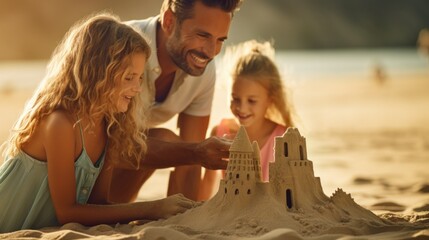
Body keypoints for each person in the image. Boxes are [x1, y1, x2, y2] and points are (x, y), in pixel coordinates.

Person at [0, 13, 198, 233]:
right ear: (98, 73)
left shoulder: (109, 127)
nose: (137, 88)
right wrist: (152, 208)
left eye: (140, 78)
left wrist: (149, 219)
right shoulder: (60, 124)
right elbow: (68, 212)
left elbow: (99, 205)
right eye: (128, 77)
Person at [109, 0, 243, 202]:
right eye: (202, 35)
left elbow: (193, 158)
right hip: (67, 168)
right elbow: (103, 146)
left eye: (220, 40)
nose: (210, 51)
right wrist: (196, 151)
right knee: (168, 141)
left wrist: (185, 224)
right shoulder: (119, 48)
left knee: (180, 147)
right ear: (170, 21)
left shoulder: (203, 72)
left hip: (111, 182)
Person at [199, 40, 295, 199]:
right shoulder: (220, 133)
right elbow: (207, 185)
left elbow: (292, 191)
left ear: (270, 100)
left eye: (252, 101)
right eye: (235, 98)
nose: (242, 108)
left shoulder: (284, 137)